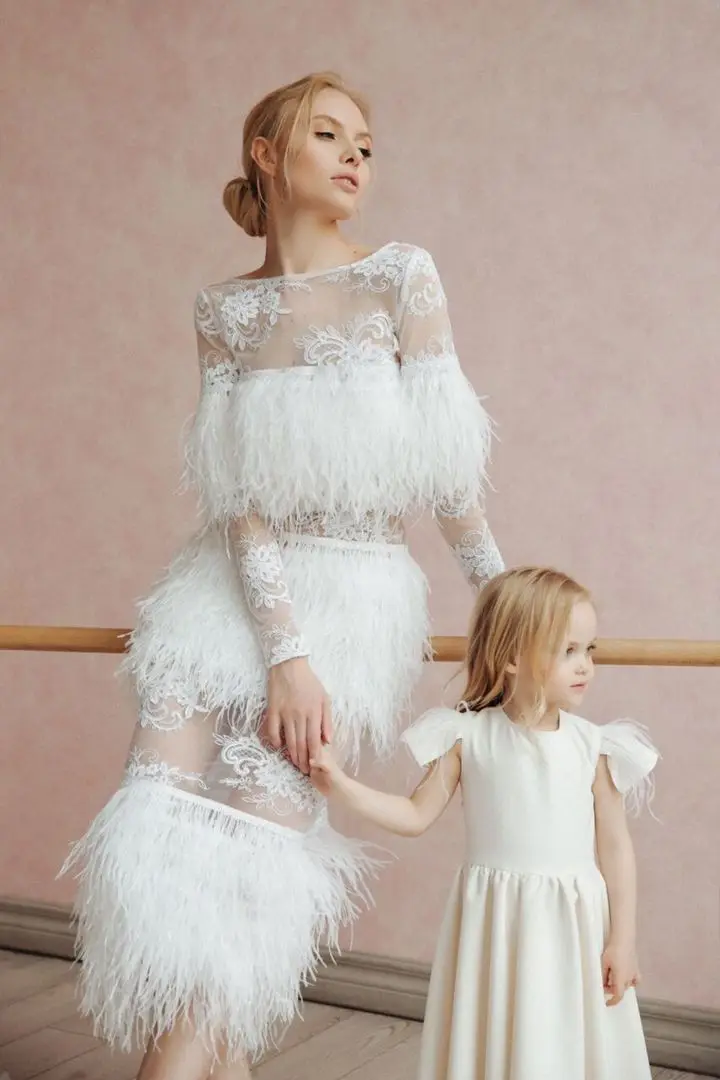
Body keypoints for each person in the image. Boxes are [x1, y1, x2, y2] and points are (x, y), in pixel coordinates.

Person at [60, 71, 505, 1080]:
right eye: (328, 134)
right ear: (267, 151)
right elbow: (240, 498)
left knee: (254, 876)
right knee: (163, 844)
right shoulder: (223, 310)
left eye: (367, 143)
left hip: (350, 602)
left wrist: (504, 603)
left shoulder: (401, 276)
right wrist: (281, 650)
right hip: (221, 601)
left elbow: (448, 477)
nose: (356, 156)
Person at [310, 566, 659, 1080]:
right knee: (503, 1034)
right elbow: (414, 815)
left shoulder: (594, 746)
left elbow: (615, 848)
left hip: (576, 923)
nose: (585, 665)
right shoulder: (466, 737)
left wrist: (622, 940)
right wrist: (341, 785)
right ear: (514, 656)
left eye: (590, 650)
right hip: (498, 921)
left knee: (569, 1036)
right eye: (568, 650)